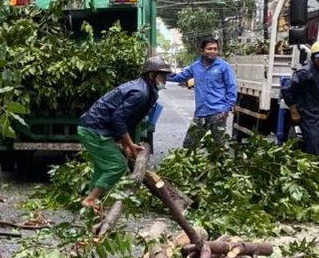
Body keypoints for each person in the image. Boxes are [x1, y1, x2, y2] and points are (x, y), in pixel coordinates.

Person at [76, 56, 172, 212]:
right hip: (93, 130)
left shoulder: (147, 90)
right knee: (117, 166)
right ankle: (90, 199)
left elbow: (130, 120)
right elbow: (118, 118)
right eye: (162, 76)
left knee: (102, 167)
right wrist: (128, 143)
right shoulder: (140, 93)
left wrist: (126, 143)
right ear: (151, 75)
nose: (165, 79)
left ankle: (91, 204)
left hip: (94, 128)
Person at [168, 38, 238, 146]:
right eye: (209, 49)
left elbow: (231, 88)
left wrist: (225, 110)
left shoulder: (223, 67)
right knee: (189, 145)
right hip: (200, 114)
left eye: (215, 49)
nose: (213, 51)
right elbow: (179, 77)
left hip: (218, 113)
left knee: (219, 148)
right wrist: (160, 75)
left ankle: (214, 163)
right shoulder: (195, 66)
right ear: (202, 51)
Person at [282, 40, 319, 159]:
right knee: (313, 148)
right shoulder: (305, 72)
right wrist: (294, 112)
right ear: (313, 57)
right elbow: (287, 90)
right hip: (308, 115)